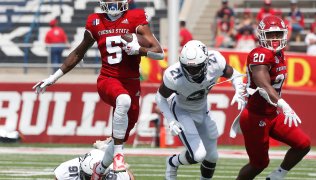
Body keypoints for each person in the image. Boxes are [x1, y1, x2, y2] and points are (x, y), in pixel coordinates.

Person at [33, 0, 164, 179]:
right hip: (108, 79)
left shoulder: (135, 17)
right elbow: (78, 52)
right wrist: (52, 78)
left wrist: (138, 49)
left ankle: (98, 171)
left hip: (132, 83)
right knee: (123, 101)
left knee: (120, 136)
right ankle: (119, 157)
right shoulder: (95, 21)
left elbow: (159, 52)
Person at [155, 40, 246, 180]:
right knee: (198, 155)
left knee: (212, 156)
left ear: (206, 61)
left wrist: (239, 90)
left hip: (202, 109)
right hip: (181, 110)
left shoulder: (215, 61)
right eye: (188, 68)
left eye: (196, 68)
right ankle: (172, 162)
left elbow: (234, 74)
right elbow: (160, 97)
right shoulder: (173, 75)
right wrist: (171, 120)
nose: (192, 71)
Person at [235, 15, 311, 180]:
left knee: (303, 144)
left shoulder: (280, 53)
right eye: (270, 35)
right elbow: (263, 83)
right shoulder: (260, 54)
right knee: (259, 164)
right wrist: (282, 103)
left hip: (272, 114)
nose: (275, 38)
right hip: (256, 117)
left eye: (277, 34)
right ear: (262, 35)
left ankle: (277, 175)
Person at [54, 139, 135, 180]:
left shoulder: (113, 176)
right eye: (88, 177)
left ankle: (109, 153)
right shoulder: (68, 170)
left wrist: (123, 167)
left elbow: (130, 178)